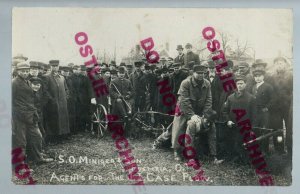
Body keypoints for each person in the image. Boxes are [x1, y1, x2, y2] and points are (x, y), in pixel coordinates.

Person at [171, 64, 217, 162]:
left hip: (198, 109)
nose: (201, 75)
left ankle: (206, 152)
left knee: (202, 126)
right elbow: (184, 100)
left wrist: (206, 115)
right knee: (180, 127)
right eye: (198, 73)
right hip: (183, 108)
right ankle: (176, 151)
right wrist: (191, 115)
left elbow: (209, 100)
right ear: (193, 73)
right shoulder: (185, 83)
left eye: (203, 73)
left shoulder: (207, 83)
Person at [12, 62, 52, 163]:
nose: (25, 73)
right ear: (18, 71)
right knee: (20, 141)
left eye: (26, 71)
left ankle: (37, 158)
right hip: (19, 117)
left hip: (31, 116)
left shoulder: (28, 82)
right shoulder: (14, 83)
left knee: (37, 137)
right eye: (22, 71)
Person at [223, 75, 256, 162]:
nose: (239, 85)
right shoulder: (230, 98)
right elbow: (225, 111)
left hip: (245, 127)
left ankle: (243, 159)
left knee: (244, 145)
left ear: (245, 84)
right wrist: (228, 120)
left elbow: (254, 114)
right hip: (232, 126)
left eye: (241, 83)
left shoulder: (251, 98)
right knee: (231, 142)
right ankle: (233, 157)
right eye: (238, 84)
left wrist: (251, 127)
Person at [269, 57, 292, 156]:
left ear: (285, 65)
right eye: (277, 63)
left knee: (290, 128)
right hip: (275, 108)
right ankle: (279, 149)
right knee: (277, 129)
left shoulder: (291, 76)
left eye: (281, 63)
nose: (279, 65)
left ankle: (290, 148)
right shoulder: (271, 77)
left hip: (288, 107)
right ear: (275, 65)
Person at [43, 60, 70, 143]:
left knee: (63, 119)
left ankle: (62, 135)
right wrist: (51, 99)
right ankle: (53, 138)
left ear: (58, 67)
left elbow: (66, 88)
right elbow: (45, 90)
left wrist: (66, 96)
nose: (55, 67)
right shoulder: (46, 77)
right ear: (50, 67)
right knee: (53, 119)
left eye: (56, 66)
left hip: (63, 102)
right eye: (53, 66)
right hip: (53, 103)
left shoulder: (62, 77)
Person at [252, 69, 273, 154]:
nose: (257, 78)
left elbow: (273, 99)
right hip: (256, 112)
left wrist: (267, 107)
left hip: (264, 112)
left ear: (263, 76)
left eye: (259, 76)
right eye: (256, 76)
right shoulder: (253, 87)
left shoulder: (268, 86)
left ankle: (265, 150)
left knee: (264, 129)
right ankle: (257, 149)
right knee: (256, 128)